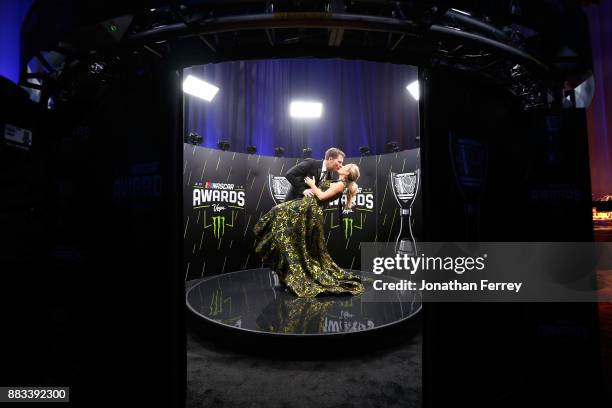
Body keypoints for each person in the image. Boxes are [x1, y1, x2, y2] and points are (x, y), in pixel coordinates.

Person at [253, 162, 364, 298]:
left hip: (309, 211)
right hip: (306, 207)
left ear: (347, 173)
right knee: (278, 214)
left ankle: (296, 272)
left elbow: (322, 197)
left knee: (278, 212)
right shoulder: (338, 182)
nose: (341, 166)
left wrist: (312, 185)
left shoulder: (341, 185)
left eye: (344, 166)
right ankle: (285, 269)